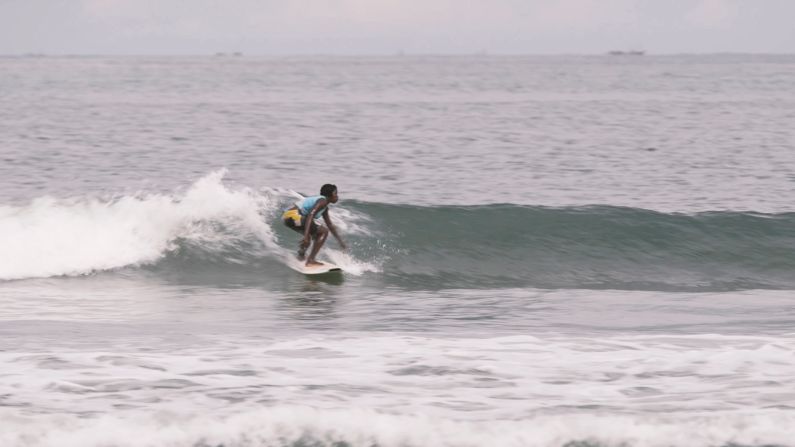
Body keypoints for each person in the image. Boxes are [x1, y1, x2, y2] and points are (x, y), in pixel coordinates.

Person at [282, 184, 347, 266]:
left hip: (288, 217)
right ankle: (310, 260)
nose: (337, 196)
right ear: (329, 195)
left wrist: (340, 242)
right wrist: (305, 236)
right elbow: (311, 215)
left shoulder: (324, 208)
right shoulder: (322, 201)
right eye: (336, 194)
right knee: (323, 232)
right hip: (294, 215)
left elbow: (330, 225)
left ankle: (301, 256)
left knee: (311, 235)